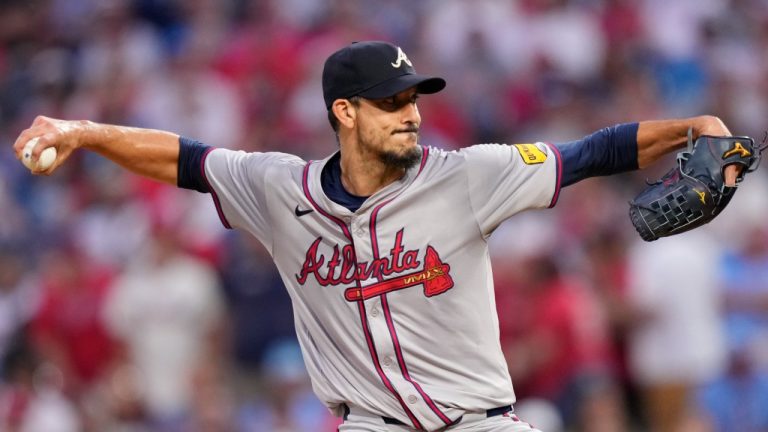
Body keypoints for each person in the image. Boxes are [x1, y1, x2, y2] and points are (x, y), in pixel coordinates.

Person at [13, 41, 741, 432]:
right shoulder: (279, 190)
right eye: (393, 102)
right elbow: (185, 159)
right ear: (346, 112)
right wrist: (81, 130)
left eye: (415, 99)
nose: (412, 114)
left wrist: (693, 127)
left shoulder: (467, 174)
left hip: (479, 425)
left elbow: (594, 151)